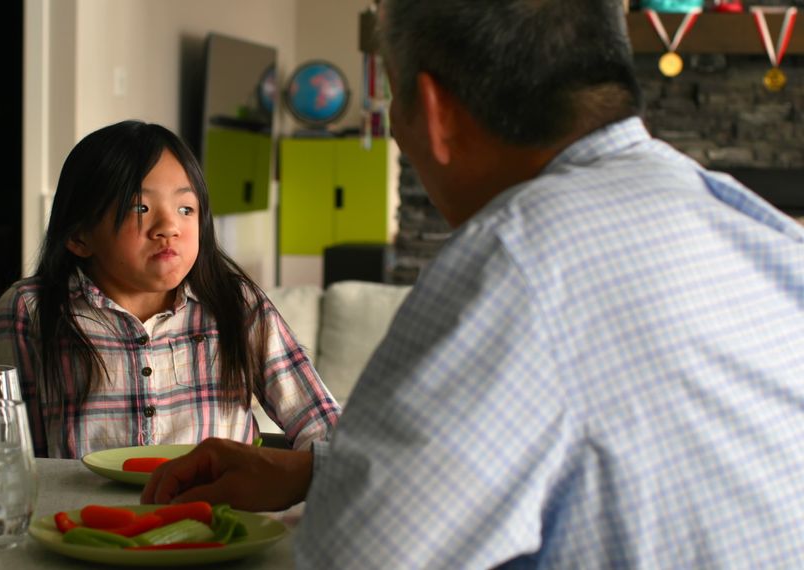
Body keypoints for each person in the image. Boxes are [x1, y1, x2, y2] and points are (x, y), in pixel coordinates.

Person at [141, 0, 804, 567]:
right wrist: (312, 471)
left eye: (393, 95)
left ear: (433, 111)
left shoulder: (513, 261)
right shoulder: (760, 232)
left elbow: (354, 558)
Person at [0, 120, 340, 458]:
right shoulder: (28, 310)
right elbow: (15, 457)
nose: (169, 227)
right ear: (79, 235)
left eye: (186, 208)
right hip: (84, 518)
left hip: (214, 516)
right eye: (141, 207)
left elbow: (321, 424)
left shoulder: (236, 303)